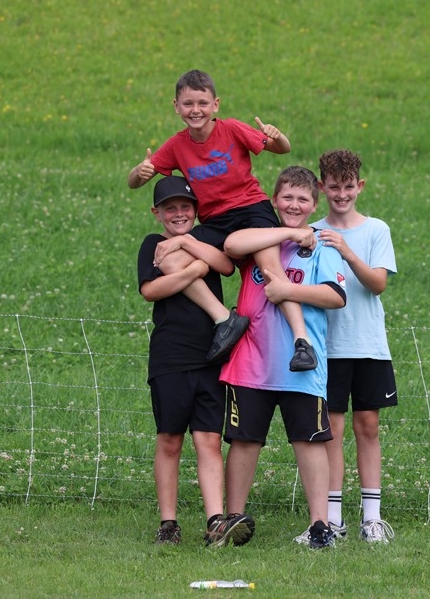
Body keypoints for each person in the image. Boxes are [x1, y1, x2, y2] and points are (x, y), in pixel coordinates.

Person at [128, 69, 317, 371]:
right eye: (188, 104)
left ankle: (302, 342)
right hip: (215, 221)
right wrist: (140, 172)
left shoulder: (231, 129)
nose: (196, 110)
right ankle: (225, 319)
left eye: (203, 103)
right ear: (176, 106)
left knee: (270, 269)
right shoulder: (176, 145)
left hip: (251, 209)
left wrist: (277, 136)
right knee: (169, 260)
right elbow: (133, 182)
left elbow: (282, 149)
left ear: (215, 104)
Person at [215, 166, 347, 550]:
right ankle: (233, 519)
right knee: (244, 441)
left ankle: (320, 526)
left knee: (309, 441)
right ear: (274, 200)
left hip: (302, 365)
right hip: (250, 364)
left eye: (302, 199)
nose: (294, 205)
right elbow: (231, 245)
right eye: (287, 197)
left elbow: (335, 296)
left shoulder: (321, 245)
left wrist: (288, 290)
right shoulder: (262, 239)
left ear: (314, 205)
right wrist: (286, 233)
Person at [136, 175, 253, 547]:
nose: (179, 214)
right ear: (156, 212)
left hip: (212, 354)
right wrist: (193, 270)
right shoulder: (153, 244)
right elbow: (151, 290)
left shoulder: (203, 238)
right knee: (170, 439)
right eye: (170, 208)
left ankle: (216, 520)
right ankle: (168, 523)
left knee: (209, 439)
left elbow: (225, 266)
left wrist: (188, 247)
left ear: (197, 210)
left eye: (185, 207)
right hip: (170, 357)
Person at [311, 148, 398, 544]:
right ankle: (332, 520)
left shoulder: (376, 230)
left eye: (348, 187)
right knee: (331, 430)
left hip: (367, 345)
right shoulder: (311, 232)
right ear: (321, 187)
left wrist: (345, 250)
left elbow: (378, 284)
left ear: (360, 186)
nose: (341, 195)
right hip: (326, 347)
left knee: (368, 426)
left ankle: (371, 518)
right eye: (334, 187)